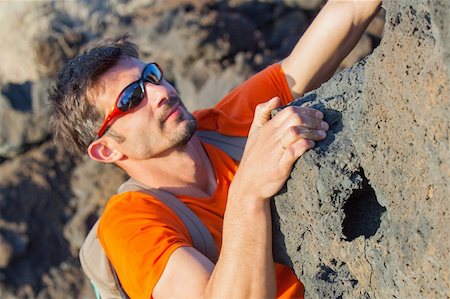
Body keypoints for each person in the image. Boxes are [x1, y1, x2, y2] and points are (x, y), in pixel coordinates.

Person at [49, 0, 381, 298]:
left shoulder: (225, 124)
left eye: (150, 76)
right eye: (131, 99)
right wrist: (248, 190)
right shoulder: (131, 223)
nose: (160, 92)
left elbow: (348, 16)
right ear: (106, 151)